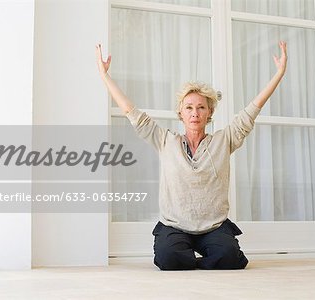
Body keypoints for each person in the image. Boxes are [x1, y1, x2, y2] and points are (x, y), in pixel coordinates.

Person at [96, 42, 287, 270]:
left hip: (213, 227)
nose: (195, 113)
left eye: (201, 108)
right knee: (168, 259)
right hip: (175, 226)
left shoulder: (224, 140)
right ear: (180, 113)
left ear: (209, 113)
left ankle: (201, 256)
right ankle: (190, 257)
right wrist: (104, 75)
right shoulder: (165, 141)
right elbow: (131, 113)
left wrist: (279, 73)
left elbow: (251, 111)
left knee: (229, 257)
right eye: (189, 108)